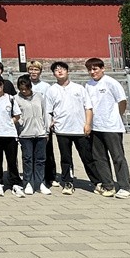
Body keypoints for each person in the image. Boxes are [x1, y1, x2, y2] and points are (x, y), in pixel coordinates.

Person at [46, 61, 100, 195]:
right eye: (56, 70)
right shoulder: (51, 90)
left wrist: (88, 124)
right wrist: (49, 126)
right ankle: (68, 182)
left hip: (80, 129)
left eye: (62, 69)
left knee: (87, 157)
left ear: (67, 71)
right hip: (62, 130)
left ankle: (97, 182)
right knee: (66, 159)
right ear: (53, 74)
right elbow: (48, 111)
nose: (60, 71)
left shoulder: (79, 88)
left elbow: (88, 107)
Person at [85, 58, 130, 199]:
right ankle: (108, 185)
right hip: (96, 127)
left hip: (111, 127)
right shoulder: (88, 85)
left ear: (102, 69)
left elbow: (122, 101)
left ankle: (125, 187)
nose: (92, 72)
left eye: (95, 69)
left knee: (117, 157)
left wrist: (117, 116)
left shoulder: (111, 82)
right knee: (99, 158)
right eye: (90, 69)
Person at [0, 73, 23, 197]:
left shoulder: (10, 98)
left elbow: (17, 115)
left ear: (3, 85)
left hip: (10, 134)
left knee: (12, 160)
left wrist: (9, 122)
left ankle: (15, 183)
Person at [14, 74, 50, 196]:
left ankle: (40, 183)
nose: (24, 91)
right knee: (27, 159)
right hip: (25, 134)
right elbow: (16, 116)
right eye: (21, 89)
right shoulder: (16, 98)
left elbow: (45, 113)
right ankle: (28, 183)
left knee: (40, 159)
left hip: (40, 133)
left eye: (26, 88)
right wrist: (19, 129)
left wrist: (46, 130)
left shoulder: (39, 96)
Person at [27, 60, 58, 188]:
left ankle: (51, 177)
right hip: (30, 123)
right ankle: (34, 176)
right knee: (31, 152)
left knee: (47, 151)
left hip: (43, 122)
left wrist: (50, 120)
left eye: (36, 69)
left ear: (40, 72)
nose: (33, 72)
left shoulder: (46, 86)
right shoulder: (25, 84)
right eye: (31, 69)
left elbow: (50, 104)